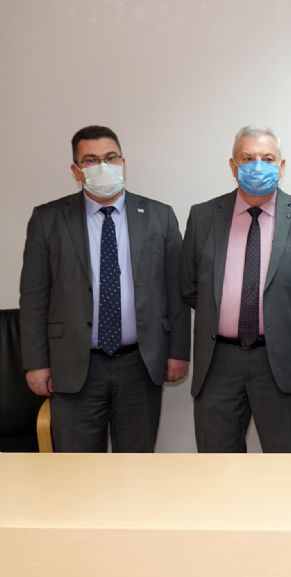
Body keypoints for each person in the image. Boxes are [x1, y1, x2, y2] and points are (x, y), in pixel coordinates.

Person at [19, 125, 190, 452]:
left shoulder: (160, 216)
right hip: (74, 366)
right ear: (76, 170)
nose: (103, 166)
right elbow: (34, 298)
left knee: (136, 466)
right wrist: (36, 363)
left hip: (140, 364)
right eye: (91, 160)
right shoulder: (48, 219)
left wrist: (178, 352)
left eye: (110, 157)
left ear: (123, 163)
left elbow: (176, 292)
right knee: (78, 469)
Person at [181, 126, 291, 453]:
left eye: (267, 158)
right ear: (233, 166)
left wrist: (284, 324)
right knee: (217, 465)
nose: (258, 166)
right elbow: (188, 286)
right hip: (218, 361)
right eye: (248, 158)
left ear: (281, 166)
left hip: (282, 360)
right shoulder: (203, 216)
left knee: (287, 463)